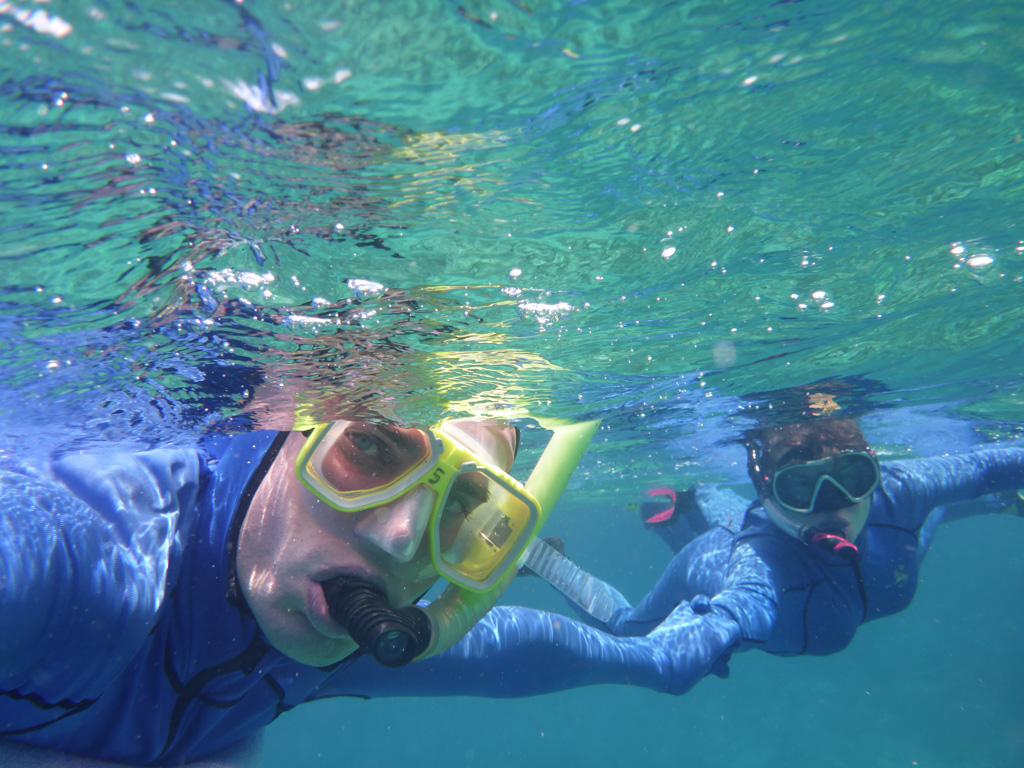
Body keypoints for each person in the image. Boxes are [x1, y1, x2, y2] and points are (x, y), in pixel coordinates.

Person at [0, 416, 695, 768]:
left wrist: (664, 659)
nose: (400, 540)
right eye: (368, 449)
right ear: (277, 431)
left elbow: (517, 648)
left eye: (460, 505)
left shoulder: (346, 632)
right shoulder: (90, 559)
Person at [598, 415, 1024, 679]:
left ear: (873, 470)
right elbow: (739, 604)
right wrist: (701, 639)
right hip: (734, 539)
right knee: (628, 629)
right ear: (769, 494)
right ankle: (548, 557)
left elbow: (988, 466)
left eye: (853, 478)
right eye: (801, 487)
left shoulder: (900, 491)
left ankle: (1003, 504)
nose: (833, 505)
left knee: (929, 508)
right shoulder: (755, 563)